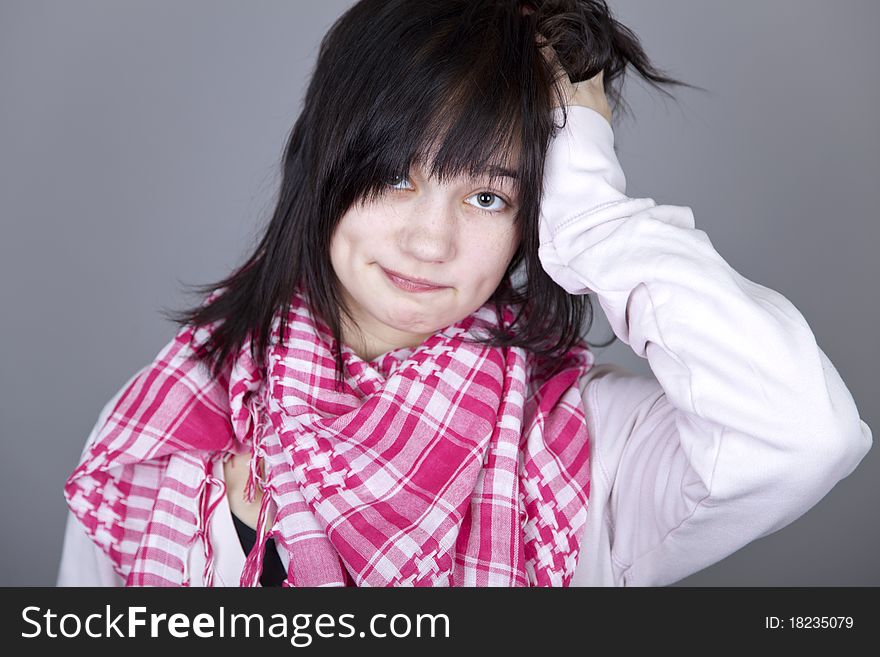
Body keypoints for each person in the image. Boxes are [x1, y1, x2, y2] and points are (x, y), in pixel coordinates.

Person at [57, 0, 872, 587]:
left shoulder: (586, 447)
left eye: (488, 197)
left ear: (534, 213)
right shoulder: (164, 427)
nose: (429, 241)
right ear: (326, 167)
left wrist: (589, 206)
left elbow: (806, 434)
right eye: (394, 178)